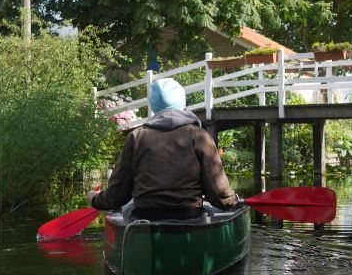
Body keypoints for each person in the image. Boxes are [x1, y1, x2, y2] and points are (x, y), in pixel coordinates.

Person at [86, 78, 238, 217]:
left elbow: (117, 196)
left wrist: (95, 199)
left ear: (153, 105)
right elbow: (219, 196)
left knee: (124, 210)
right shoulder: (200, 136)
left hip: (146, 218)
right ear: (182, 102)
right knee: (213, 211)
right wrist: (234, 201)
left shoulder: (136, 137)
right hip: (189, 215)